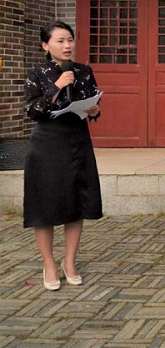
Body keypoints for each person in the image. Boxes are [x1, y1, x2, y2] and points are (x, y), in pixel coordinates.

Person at [24, 21, 103, 291]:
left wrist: (94, 109)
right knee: (44, 206)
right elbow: (33, 111)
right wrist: (57, 86)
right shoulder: (37, 73)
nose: (67, 45)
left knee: (76, 201)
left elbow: (94, 101)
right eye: (60, 41)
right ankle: (49, 264)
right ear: (45, 45)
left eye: (70, 39)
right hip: (46, 144)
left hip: (77, 142)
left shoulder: (84, 71)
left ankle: (69, 262)